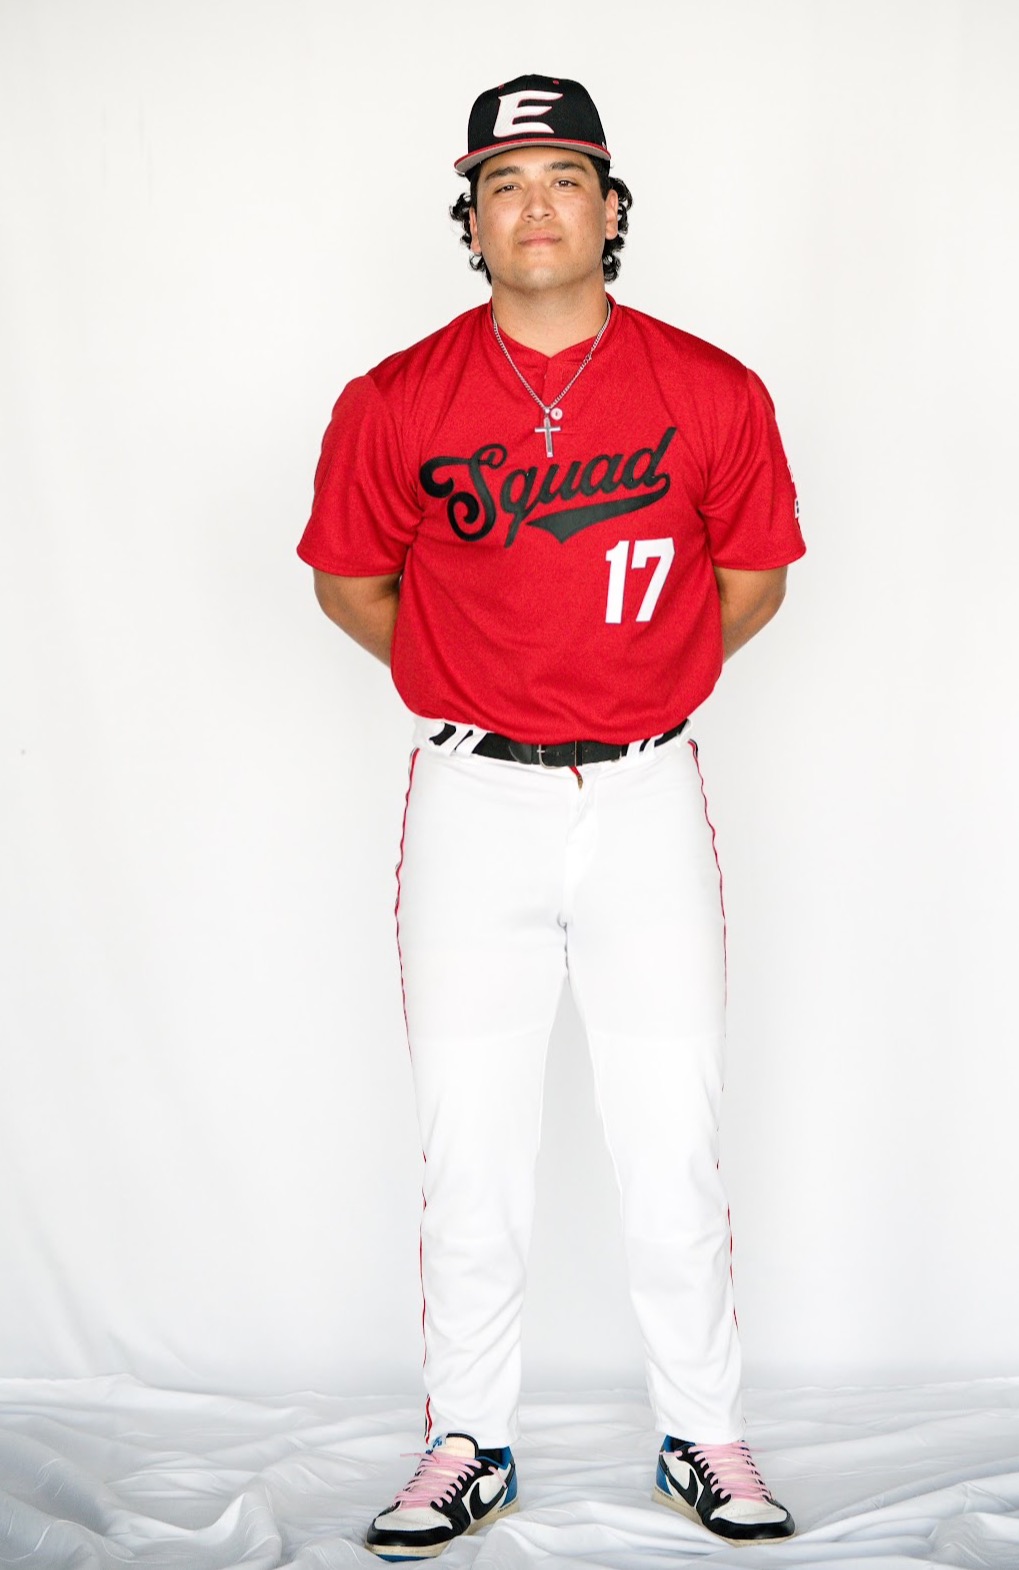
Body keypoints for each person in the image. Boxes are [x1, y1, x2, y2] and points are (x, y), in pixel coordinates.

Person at [298, 72, 805, 1561]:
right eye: (505, 182)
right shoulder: (395, 398)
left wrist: (634, 680)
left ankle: (703, 1432)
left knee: (674, 1132)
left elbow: (753, 582)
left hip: (648, 791)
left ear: (612, 207)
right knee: (470, 1141)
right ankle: (469, 1438)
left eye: (566, 178)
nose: (536, 205)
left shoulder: (712, 389)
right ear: (470, 219)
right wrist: (481, 677)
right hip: (473, 798)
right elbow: (351, 583)